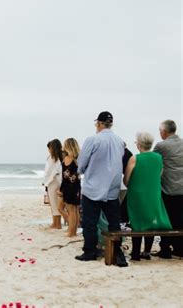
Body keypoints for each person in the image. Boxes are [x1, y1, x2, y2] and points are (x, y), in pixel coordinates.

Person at [75, 111, 128, 267]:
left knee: (90, 222)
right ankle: (117, 252)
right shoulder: (119, 141)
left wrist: (81, 171)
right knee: (114, 222)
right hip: (112, 188)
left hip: (93, 187)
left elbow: (81, 163)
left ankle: (90, 251)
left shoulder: (92, 140)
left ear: (99, 123)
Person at [124, 132, 172, 261]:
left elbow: (126, 180)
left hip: (137, 194)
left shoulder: (135, 158)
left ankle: (135, 253)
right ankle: (146, 252)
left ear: (139, 144)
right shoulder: (158, 158)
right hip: (154, 193)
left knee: (137, 221)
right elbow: (159, 174)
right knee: (150, 220)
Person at [154, 120, 183, 258]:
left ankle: (165, 249)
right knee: (180, 219)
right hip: (182, 188)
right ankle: (179, 248)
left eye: (160, 131)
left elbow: (152, 159)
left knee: (165, 219)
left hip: (168, 188)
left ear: (164, 132)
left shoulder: (161, 145)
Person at [60, 138, 81, 237]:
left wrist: (61, 189)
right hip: (77, 186)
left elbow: (64, 177)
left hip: (68, 187)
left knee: (71, 210)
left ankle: (71, 232)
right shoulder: (78, 159)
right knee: (76, 210)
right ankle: (74, 232)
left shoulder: (67, 159)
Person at [43, 139, 63, 229]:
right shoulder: (55, 157)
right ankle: (55, 222)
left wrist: (46, 182)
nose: (48, 149)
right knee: (54, 203)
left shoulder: (54, 158)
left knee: (54, 203)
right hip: (54, 182)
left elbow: (52, 172)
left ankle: (57, 224)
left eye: (50, 147)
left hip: (53, 182)